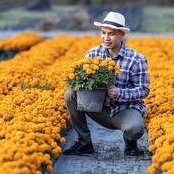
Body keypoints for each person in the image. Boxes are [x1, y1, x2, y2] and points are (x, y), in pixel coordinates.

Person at [63, 11, 150, 156]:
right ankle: (84, 143)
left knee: (135, 129)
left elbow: (144, 90)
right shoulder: (92, 54)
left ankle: (130, 143)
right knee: (70, 94)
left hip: (124, 109)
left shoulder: (136, 59)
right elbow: (81, 82)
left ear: (122, 34)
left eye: (111, 34)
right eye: (103, 33)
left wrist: (120, 93)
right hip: (98, 108)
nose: (106, 38)